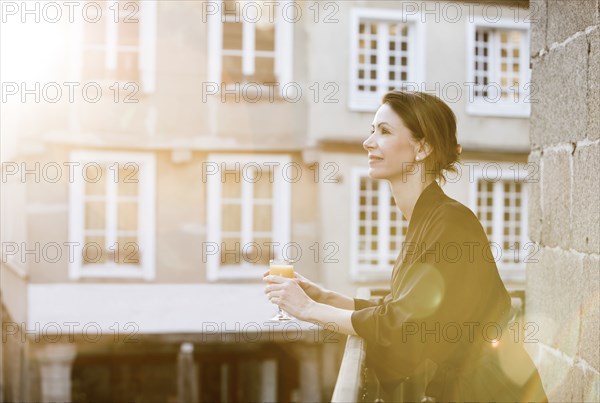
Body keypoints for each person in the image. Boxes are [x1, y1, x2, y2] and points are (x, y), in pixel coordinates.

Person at [264, 90, 548, 402]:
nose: (368, 142)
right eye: (372, 130)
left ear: (422, 147)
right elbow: (403, 309)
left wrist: (309, 310)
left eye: (384, 131)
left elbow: (400, 323)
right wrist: (326, 296)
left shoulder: (450, 222)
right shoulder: (429, 218)